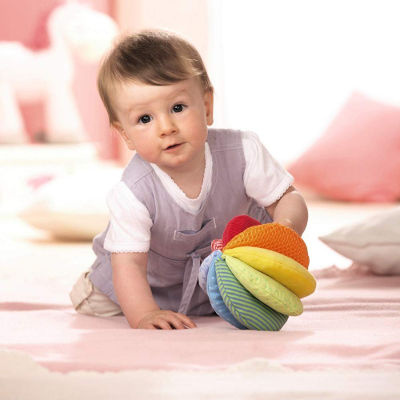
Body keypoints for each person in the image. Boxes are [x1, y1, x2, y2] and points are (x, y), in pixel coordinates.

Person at [70, 29, 308, 330]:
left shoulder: (244, 153)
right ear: (125, 135)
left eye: (177, 108)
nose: (166, 127)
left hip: (216, 278)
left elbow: (288, 197)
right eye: (145, 119)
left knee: (244, 299)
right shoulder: (133, 192)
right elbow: (128, 264)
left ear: (207, 106)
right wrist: (145, 314)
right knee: (98, 302)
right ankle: (96, 289)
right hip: (146, 283)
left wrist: (284, 230)